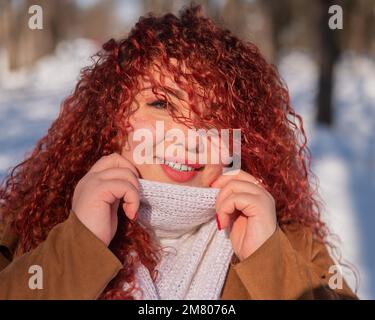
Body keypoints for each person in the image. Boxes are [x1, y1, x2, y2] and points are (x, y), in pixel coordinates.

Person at [0, 5, 357, 300]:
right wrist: (77, 246)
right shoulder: (33, 222)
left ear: (241, 139)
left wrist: (268, 260)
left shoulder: (286, 239)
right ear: (112, 116)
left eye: (214, 115)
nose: (189, 135)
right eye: (160, 103)